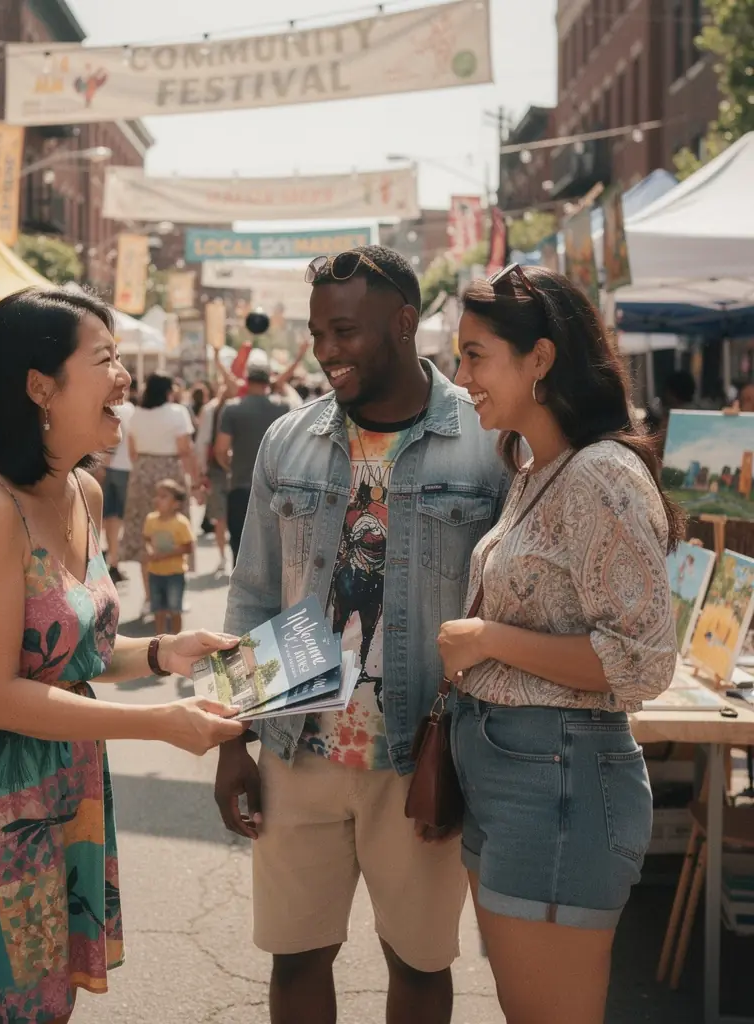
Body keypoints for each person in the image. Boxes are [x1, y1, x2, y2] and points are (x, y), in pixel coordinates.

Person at [0, 288, 245, 1023]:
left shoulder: (77, 488)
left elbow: (65, 652)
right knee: (0, 1006)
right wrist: (162, 724)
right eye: (105, 359)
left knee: (48, 1003)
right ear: (40, 386)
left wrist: (166, 652)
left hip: (61, 782)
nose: (124, 379)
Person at [215, 246, 507, 1024]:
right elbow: (251, 596)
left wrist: (466, 750)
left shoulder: (486, 446)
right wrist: (230, 740)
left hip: (418, 757)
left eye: (345, 331)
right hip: (296, 741)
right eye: (317, 334)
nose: (327, 351)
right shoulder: (289, 440)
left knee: (417, 962)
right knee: (297, 954)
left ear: (405, 323)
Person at [440, 264, 681, 1024]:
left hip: (559, 776)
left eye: (475, 355)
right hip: (515, 769)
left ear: (539, 358)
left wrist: (487, 638)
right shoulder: (536, 468)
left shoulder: (599, 476)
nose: (461, 375)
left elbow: (642, 665)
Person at [214, 355, 295, 564]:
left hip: (241, 485)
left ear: (247, 381)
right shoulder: (282, 408)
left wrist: (229, 466)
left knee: (241, 549)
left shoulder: (233, 409)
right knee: (275, 551)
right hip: (276, 487)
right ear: (268, 381)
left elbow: (221, 449)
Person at [120, 372, 197, 590]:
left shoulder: (137, 415)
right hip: (169, 470)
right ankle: (174, 592)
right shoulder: (177, 412)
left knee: (146, 532)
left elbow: (132, 452)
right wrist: (197, 478)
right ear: (167, 391)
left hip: (142, 472)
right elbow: (185, 449)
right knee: (174, 530)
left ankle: (148, 594)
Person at [195, 378, 239, 572]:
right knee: (233, 516)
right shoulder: (237, 408)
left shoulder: (211, 409)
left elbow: (202, 443)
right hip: (236, 468)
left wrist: (202, 471)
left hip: (216, 469)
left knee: (220, 516)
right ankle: (229, 556)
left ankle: (223, 557)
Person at [143, 478, 194, 636]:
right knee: (158, 610)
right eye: (157, 495)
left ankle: (176, 638)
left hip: (175, 574)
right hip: (155, 573)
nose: (157, 499)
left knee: (175, 609)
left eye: (164, 496)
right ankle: (159, 639)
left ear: (176, 504)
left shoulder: (181, 523)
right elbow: (146, 539)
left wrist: (164, 555)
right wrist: (149, 551)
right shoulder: (151, 519)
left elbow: (188, 546)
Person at [100, 400, 134, 583]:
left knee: (112, 516)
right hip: (124, 467)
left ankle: (114, 560)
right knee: (120, 516)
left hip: (108, 468)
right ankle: (114, 561)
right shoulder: (127, 409)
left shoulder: (104, 407)